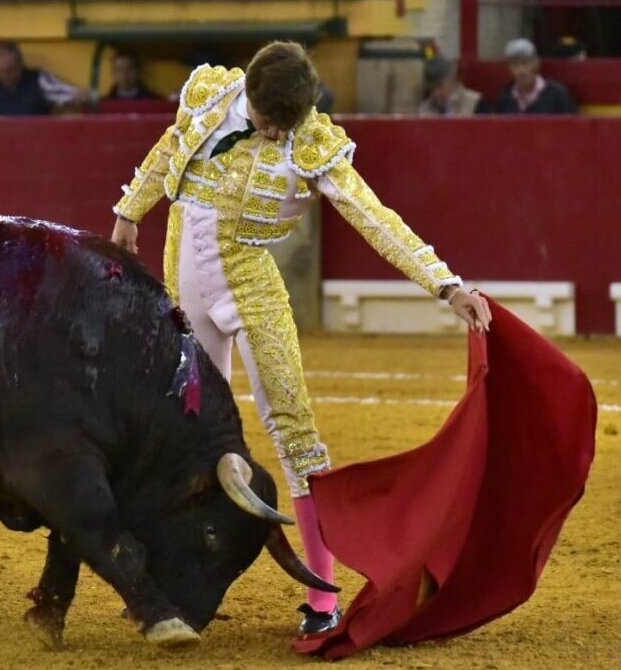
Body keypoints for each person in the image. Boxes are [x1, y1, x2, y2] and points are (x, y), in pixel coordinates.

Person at [109, 42, 491, 636]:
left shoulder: (309, 139)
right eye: (267, 121)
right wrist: (131, 209)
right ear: (250, 96)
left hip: (251, 289)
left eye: (284, 125)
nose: (274, 133)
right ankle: (172, 581)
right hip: (183, 294)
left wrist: (445, 285)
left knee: (293, 427)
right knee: (181, 436)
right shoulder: (211, 93)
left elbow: (373, 215)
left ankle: (322, 594)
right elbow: (170, 148)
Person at [0, 41, 93, 116]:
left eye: (10, 70)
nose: (6, 76)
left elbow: (65, 93)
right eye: (0, 72)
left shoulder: (39, 80)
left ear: (21, 64)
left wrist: (80, 95)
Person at [493, 38, 577, 114]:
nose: (521, 70)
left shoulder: (558, 94)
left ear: (536, 64)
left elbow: (574, 126)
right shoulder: (505, 98)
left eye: (525, 63)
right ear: (509, 68)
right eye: (515, 65)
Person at [418, 56, 486, 116]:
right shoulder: (423, 110)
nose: (435, 93)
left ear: (452, 80)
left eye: (439, 86)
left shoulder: (474, 103)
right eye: (431, 88)